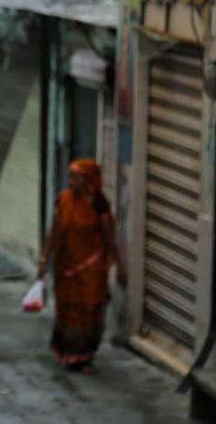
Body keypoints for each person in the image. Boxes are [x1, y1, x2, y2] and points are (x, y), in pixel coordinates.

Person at [37, 159, 126, 371]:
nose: (70, 182)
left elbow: (109, 239)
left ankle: (85, 353)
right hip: (65, 266)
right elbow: (55, 231)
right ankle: (69, 351)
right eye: (69, 177)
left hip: (91, 269)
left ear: (88, 180)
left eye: (75, 177)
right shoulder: (64, 200)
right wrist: (44, 259)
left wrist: (120, 267)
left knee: (90, 309)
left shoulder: (99, 205)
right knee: (68, 309)